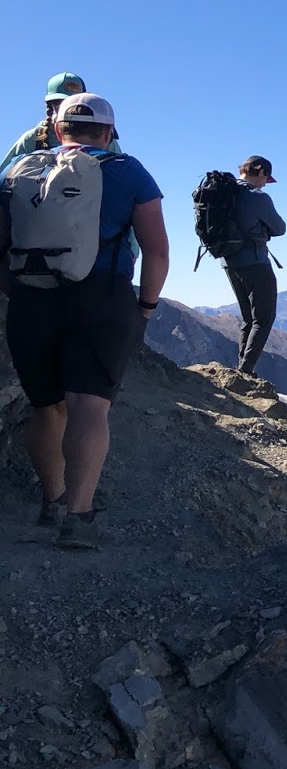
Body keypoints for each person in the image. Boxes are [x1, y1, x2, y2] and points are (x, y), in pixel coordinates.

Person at [0, 93, 169, 549]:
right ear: (108, 132)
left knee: (45, 407)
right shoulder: (126, 170)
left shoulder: (20, 170)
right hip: (100, 298)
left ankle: (50, 500)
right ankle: (78, 517)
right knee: (90, 406)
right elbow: (156, 249)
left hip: (32, 299)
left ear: (58, 130)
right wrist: (146, 308)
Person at [222, 156, 285, 376]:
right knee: (264, 318)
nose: (266, 183)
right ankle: (246, 369)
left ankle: (242, 366)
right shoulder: (258, 198)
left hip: (228, 262)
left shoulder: (226, 193)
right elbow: (280, 228)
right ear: (259, 172)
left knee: (248, 318)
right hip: (256, 262)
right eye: (266, 178)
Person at [1, 72, 124, 175]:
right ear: (51, 106)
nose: (69, 108)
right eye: (62, 103)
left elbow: (121, 175)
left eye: (74, 103)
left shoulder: (104, 136)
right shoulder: (32, 139)